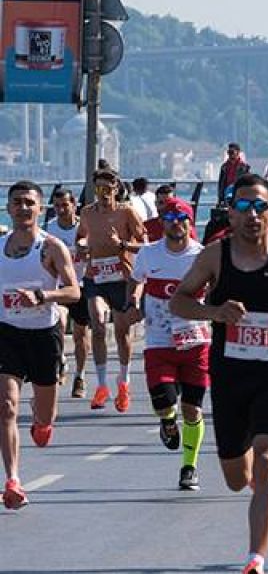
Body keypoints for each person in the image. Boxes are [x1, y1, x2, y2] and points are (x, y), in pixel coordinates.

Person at [170, 174, 268, 574]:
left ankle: (256, 558)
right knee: (237, 478)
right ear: (231, 214)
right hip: (230, 376)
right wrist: (215, 312)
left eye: (259, 207)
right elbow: (179, 302)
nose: (252, 215)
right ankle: (255, 477)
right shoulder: (214, 256)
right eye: (243, 207)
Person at [0, 181, 80, 510]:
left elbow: (74, 292)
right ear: (8, 208)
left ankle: (41, 419)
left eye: (29, 203)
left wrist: (43, 296)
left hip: (44, 335)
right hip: (7, 333)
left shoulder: (51, 248)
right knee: (6, 406)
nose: (23, 208)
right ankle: (13, 480)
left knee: (45, 418)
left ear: (40, 207)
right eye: (17, 202)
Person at [126, 198, 208, 491]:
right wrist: (134, 301)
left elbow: (215, 289)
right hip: (159, 340)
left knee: (193, 409)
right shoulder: (149, 253)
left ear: (190, 222)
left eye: (181, 218)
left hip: (195, 340)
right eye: (170, 218)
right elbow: (136, 280)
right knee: (163, 403)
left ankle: (189, 467)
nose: (176, 223)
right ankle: (167, 421)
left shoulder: (202, 256)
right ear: (162, 222)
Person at [77, 168, 147, 412]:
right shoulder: (87, 213)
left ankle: (123, 382)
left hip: (121, 277)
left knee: (121, 333)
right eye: (99, 189)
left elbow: (145, 245)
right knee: (97, 325)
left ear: (117, 189)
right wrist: (82, 245)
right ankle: (102, 385)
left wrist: (124, 245)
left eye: (108, 189)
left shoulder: (127, 212)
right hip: (95, 275)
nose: (103, 193)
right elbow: (81, 237)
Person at [45, 190, 90, 398]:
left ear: (74, 205)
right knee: (60, 322)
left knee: (81, 334)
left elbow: (96, 252)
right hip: (60, 285)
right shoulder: (50, 228)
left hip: (81, 285)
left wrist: (86, 251)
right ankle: (61, 358)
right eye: (57, 206)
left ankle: (80, 375)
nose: (61, 210)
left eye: (65, 205)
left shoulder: (84, 226)